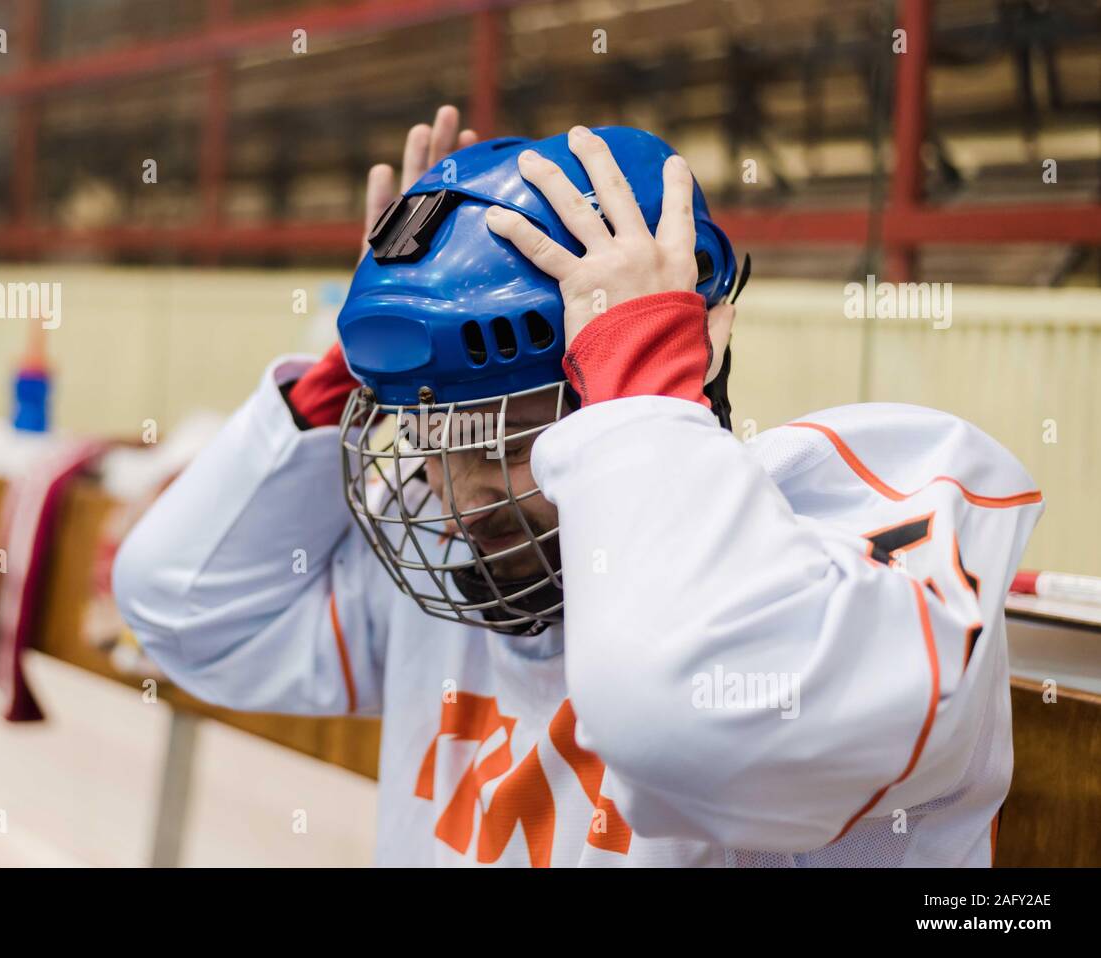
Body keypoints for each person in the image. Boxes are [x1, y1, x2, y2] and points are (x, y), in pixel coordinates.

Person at [113, 105, 1043, 867]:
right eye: (433, 439)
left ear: (687, 352)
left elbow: (686, 718)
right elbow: (183, 607)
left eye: (511, 442)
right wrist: (359, 366)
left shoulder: (861, 517)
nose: (461, 496)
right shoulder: (458, 577)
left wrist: (639, 374)